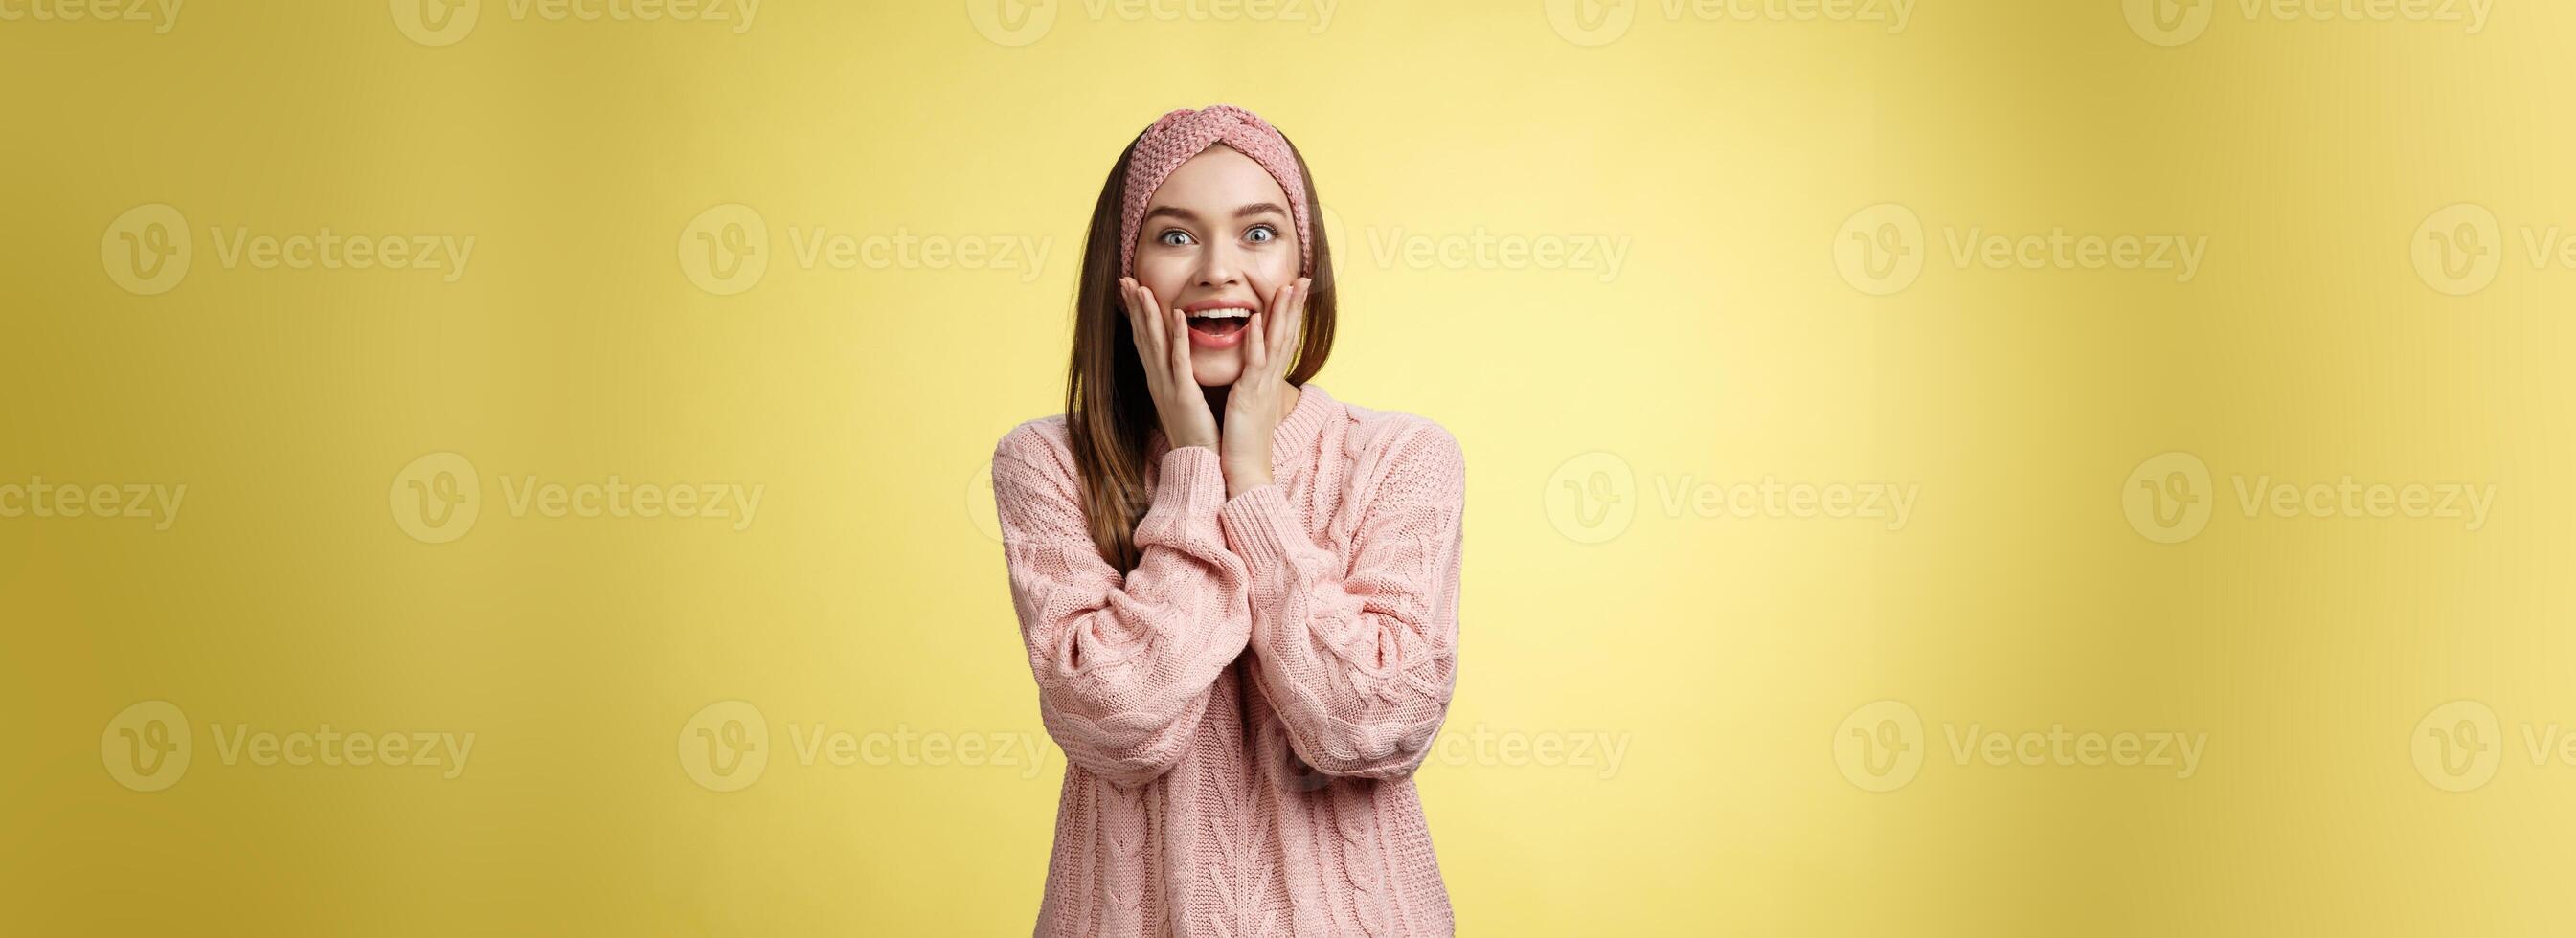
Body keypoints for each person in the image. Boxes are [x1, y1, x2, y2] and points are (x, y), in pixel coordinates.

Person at [990, 103, 1467, 937]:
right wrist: (1192, 471)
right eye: (1176, 236)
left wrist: (1250, 486)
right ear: (1123, 269)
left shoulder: (1403, 457)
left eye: (1259, 233)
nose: (1219, 271)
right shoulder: (1048, 462)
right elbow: (1115, 724)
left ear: (1302, 265)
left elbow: (1373, 726)